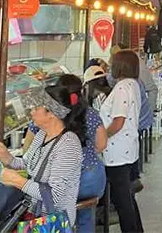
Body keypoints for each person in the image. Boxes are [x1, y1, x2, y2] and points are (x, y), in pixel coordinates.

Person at [0, 76, 84, 225]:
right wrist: (6, 157)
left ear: (51, 113)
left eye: (35, 108)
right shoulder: (41, 135)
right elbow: (27, 163)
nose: (31, 112)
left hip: (52, 222)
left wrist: (18, 181)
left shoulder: (68, 144)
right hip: (34, 215)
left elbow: (54, 196)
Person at [22, 75, 108, 232]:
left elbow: (27, 147)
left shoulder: (48, 116)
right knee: (84, 214)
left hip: (72, 185)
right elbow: (102, 144)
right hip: (95, 178)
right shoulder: (90, 113)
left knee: (53, 200)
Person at [100, 50, 144, 233]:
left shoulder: (121, 88)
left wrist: (102, 137)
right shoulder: (133, 84)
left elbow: (118, 122)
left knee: (122, 201)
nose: (110, 67)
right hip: (128, 149)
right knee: (127, 198)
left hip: (117, 153)